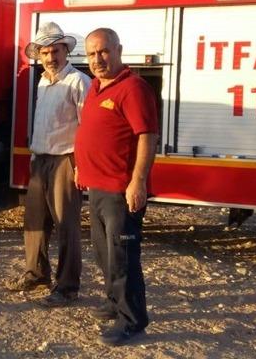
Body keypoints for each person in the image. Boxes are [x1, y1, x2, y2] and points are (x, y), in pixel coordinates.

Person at [74, 27, 158, 347]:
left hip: (120, 190)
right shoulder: (96, 87)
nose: (98, 59)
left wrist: (138, 181)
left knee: (123, 256)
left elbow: (146, 136)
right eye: (92, 53)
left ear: (119, 50)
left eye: (104, 51)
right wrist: (82, 164)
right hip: (96, 187)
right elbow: (94, 132)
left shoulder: (133, 88)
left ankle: (132, 320)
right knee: (104, 253)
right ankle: (113, 301)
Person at [3, 22, 90, 308]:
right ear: (39, 55)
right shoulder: (42, 81)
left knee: (67, 225)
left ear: (66, 51)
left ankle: (67, 287)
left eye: (56, 50)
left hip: (66, 159)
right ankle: (37, 273)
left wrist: (81, 165)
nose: (51, 57)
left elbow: (87, 128)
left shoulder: (78, 81)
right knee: (35, 222)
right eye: (45, 52)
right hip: (40, 159)